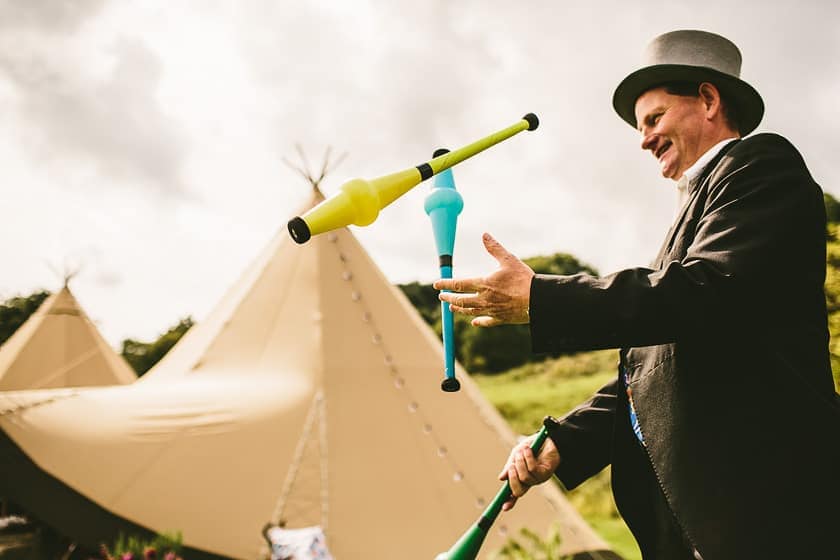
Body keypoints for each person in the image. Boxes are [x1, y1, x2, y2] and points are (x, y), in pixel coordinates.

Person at [435, 30, 840, 560]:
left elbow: (701, 295)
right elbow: (659, 359)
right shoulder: (699, 207)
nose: (643, 139)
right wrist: (568, 440)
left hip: (767, 512)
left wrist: (543, 298)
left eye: (653, 118)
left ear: (709, 100)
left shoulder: (763, 167)